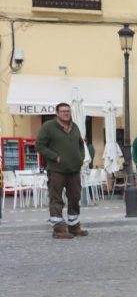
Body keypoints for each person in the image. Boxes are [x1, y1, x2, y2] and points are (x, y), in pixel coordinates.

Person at [35, 102, 88, 239]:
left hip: (74, 170)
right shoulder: (48, 127)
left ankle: (74, 227)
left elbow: (81, 144)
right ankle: (58, 229)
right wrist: (55, 157)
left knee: (75, 198)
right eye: (63, 111)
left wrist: (80, 158)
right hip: (56, 170)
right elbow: (39, 146)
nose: (66, 113)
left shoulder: (74, 126)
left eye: (68, 111)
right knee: (56, 199)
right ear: (57, 113)